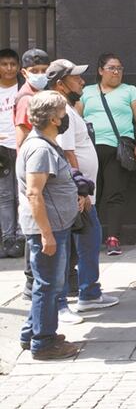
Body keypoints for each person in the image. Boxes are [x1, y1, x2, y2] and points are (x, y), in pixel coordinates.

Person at [46, 60, 119, 319]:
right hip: (75, 194)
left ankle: (89, 293)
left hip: (84, 193)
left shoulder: (69, 108)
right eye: (75, 78)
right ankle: (61, 303)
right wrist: (80, 190)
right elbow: (67, 153)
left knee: (89, 238)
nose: (81, 82)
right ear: (60, 85)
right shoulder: (60, 111)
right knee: (66, 247)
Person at [17, 90, 87, 360]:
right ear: (54, 120)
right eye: (62, 113)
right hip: (48, 229)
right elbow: (34, 193)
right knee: (48, 285)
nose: (66, 116)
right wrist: (47, 234)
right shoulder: (40, 149)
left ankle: (31, 333)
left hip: (54, 226)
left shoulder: (45, 144)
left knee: (46, 284)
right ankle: (43, 343)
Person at [80, 53, 136, 256]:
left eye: (119, 68)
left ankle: (113, 238)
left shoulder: (130, 91)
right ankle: (88, 238)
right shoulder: (87, 92)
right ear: (100, 70)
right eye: (112, 68)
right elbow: (75, 116)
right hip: (90, 149)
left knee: (115, 193)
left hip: (119, 150)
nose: (116, 72)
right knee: (90, 193)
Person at [13, 48, 51, 298]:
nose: (40, 74)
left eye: (44, 70)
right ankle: (31, 281)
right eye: (34, 71)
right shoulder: (27, 98)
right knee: (34, 224)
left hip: (38, 166)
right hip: (32, 169)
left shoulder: (40, 94)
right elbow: (21, 137)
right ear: (24, 72)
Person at [0, 48, 20, 256]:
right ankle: (8, 238)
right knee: (4, 195)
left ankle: (22, 237)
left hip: (22, 145)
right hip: (2, 149)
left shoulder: (23, 89)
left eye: (12, 64)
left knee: (22, 192)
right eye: (4, 64)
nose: (9, 68)